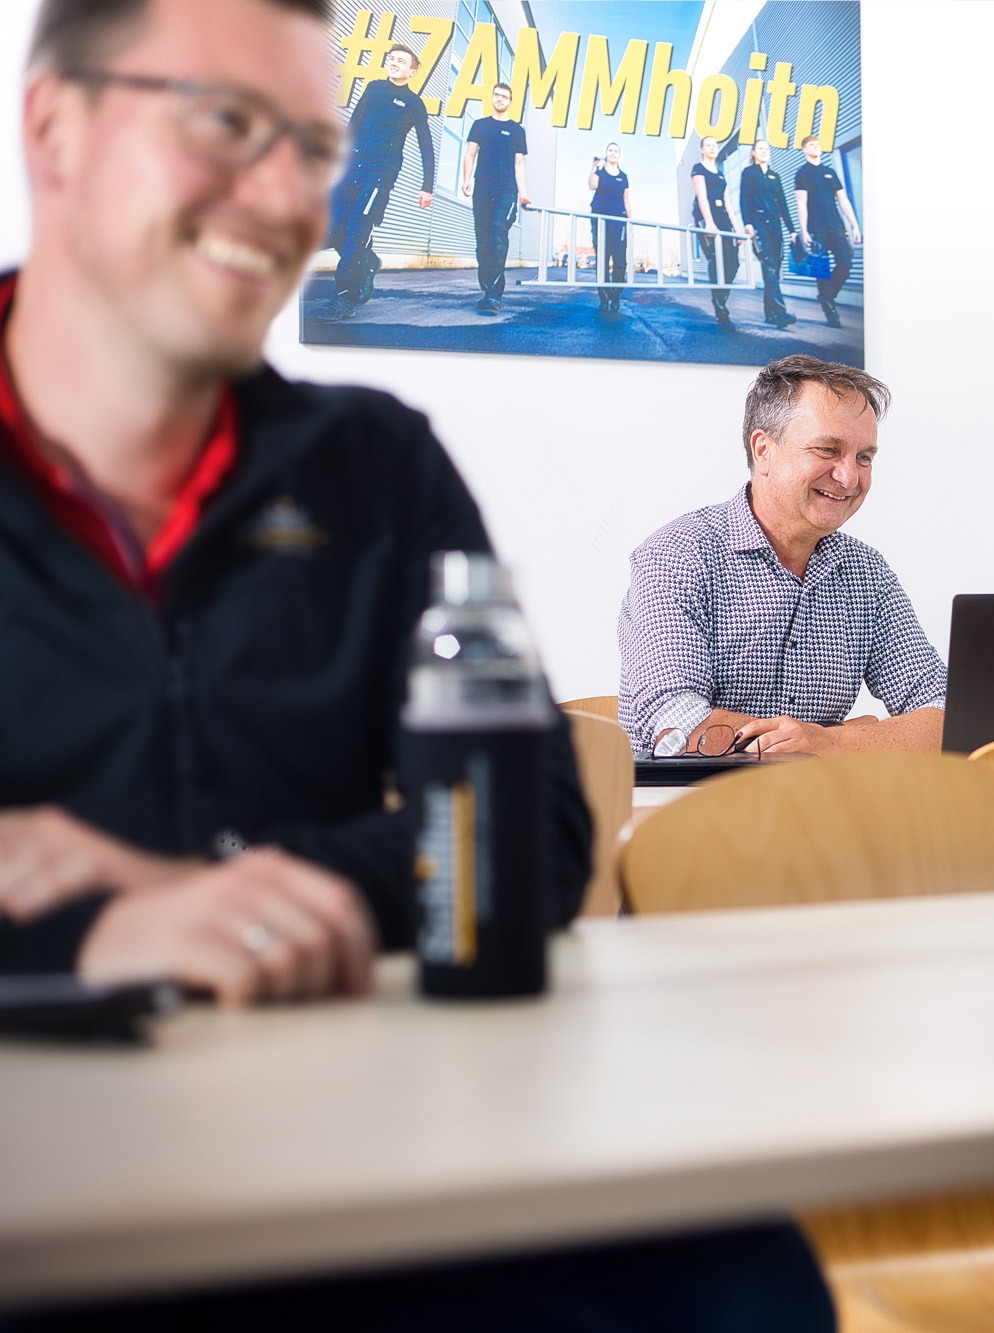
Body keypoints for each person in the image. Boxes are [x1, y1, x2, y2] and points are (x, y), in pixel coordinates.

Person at [0, 0, 835, 1327]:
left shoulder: (375, 466)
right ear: (55, 122)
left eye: (320, 147)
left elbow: (535, 830)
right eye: (226, 123)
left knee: (748, 1280)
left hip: (342, 1139)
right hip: (37, 1160)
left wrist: (217, 893)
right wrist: (86, 934)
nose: (289, 197)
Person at [618, 356, 945, 758]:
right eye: (828, 449)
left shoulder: (867, 574)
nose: (850, 477)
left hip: (815, 812)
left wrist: (833, 740)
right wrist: (846, 738)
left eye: (864, 457)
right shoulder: (676, 556)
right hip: (686, 810)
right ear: (763, 450)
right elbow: (680, 728)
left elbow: (946, 715)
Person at [321, 41, 433, 320]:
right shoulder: (373, 88)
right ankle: (368, 261)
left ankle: (345, 297)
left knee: (357, 230)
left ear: (413, 71)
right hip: (352, 167)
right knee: (333, 227)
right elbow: (354, 124)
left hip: (379, 174)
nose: (394, 63)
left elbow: (425, 145)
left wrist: (427, 186)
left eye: (401, 61)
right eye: (392, 58)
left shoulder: (414, 104)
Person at [459, 79, 530, 316]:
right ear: (492, 98)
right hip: (483, 187)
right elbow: (470, 154)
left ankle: (495, 293)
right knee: (483, 240)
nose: (500, 99)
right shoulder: (480, 125)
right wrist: (467, 179)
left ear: (510, 102)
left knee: (499, 231)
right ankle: (487, 287)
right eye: (496, 95)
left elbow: (519, 165)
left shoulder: (517, 131)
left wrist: (523, 193)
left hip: (506, 189)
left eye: (504, 96)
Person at [791, 135, 860, 327]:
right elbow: (801, 203)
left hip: (836, 225)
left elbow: (843, 200)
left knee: (845, 262)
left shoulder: (830, 172)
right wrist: (804, 230)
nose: (816, 147)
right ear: (805, 149)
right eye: (812, 145)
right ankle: (830, 312)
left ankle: (827, 296)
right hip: (816, 227)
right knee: (822, 270)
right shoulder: (802, 173)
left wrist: (855, 225)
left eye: (818, 144)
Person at [739, 137, 798, 329]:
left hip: (775, 226)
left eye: (766, 148)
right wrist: (748, 223)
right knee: (770, 265)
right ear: (754, 153)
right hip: (759, 224)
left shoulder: (775, 176)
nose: (764, 151)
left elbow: (783, 204)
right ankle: (780, 313)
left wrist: (792, 230)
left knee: (773, 269)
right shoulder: (748, 173)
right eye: (760, 148)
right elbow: (744, 200)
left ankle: (769, 313)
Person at [689, 135, 740, 332]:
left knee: (732, 263)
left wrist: (736, 229)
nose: (712, 148)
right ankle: (721, 312)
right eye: (708, 145)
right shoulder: (698, 169)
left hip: (723, 218)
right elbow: (702, 196)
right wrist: (709, 223)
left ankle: (721, 298)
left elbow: (727, 202)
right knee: (716, 260)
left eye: (714, 145)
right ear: (702, 149)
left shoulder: (720, 173)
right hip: (706, 217)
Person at [586, 141, 628, 314]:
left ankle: (616, 295)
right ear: (606, 153)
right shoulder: (600, 171)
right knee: (602, 258)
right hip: (600, 219)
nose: (613, 153)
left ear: (619, 155)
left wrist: (630, 221)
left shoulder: (624, 176)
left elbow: (627, 199)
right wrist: (594, 166)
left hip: (619, 220)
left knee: (619, 261)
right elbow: (592, 185)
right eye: (610, 150)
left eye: (616, 151)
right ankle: (604, 298)